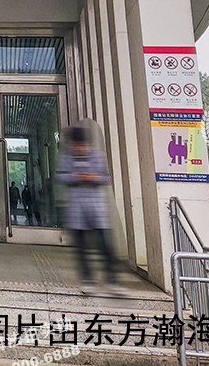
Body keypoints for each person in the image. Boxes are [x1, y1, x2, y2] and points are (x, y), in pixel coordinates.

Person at [57, 124, 125, 294]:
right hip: (77, 209)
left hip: (97, 208)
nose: (78, 148)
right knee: (82, 247)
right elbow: (60, 176)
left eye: (81, 145)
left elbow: (106, 177)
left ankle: (112, 280)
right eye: (75, 145)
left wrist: (93, 177)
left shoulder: (96, 156)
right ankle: (87, 279)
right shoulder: (66, 157)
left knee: (105, 245)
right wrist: (75, 176)